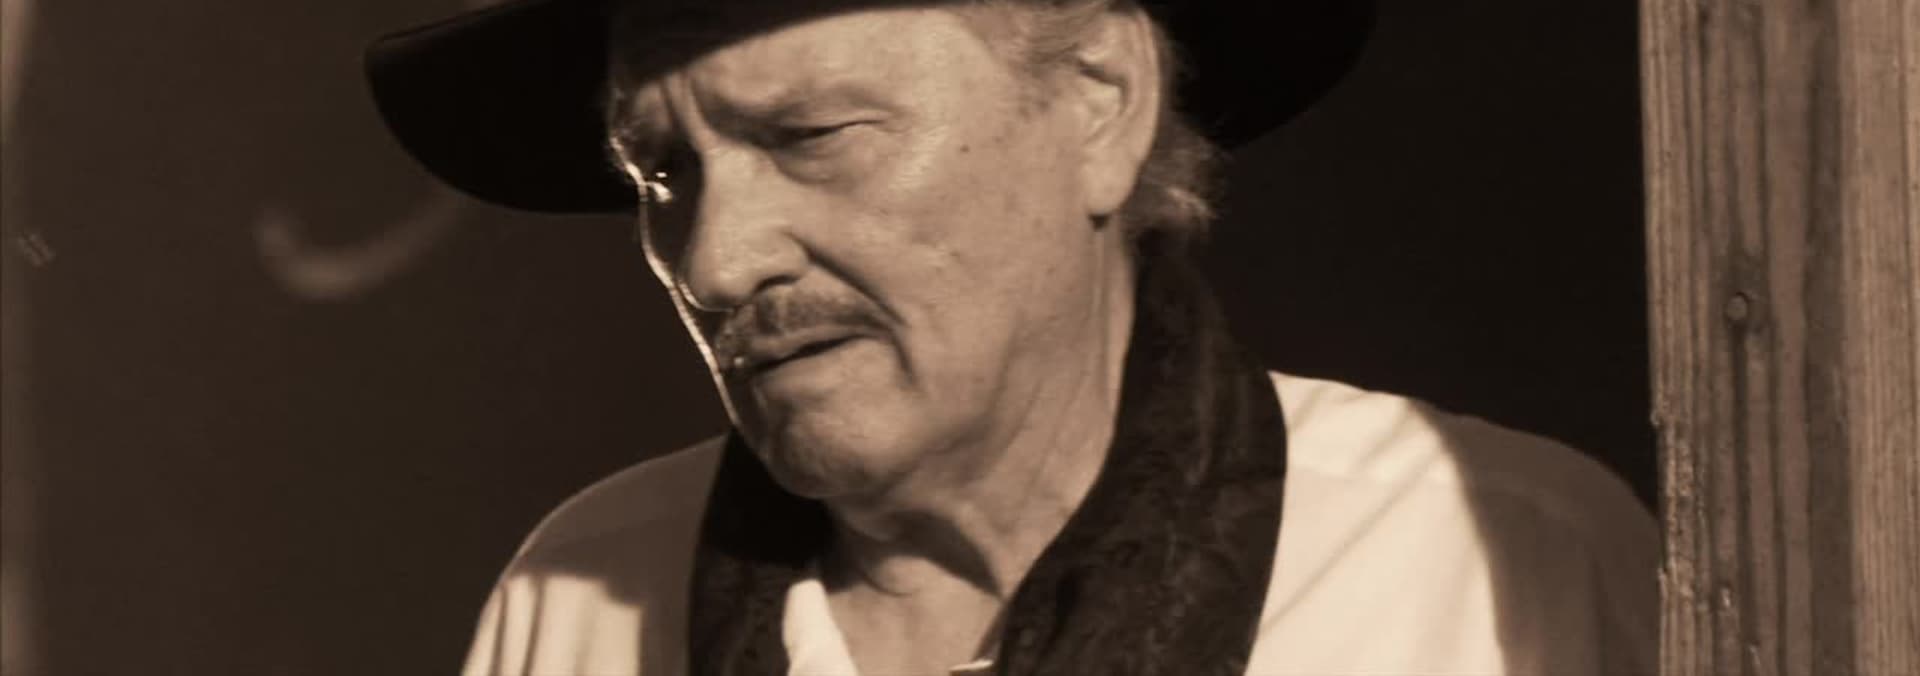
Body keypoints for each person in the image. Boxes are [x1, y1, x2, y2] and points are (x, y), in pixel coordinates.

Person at [367, 0, 1658, 673]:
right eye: (662, 173)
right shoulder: (581, 597)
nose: (715, 260)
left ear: (1100, 101)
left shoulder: (1489, 560)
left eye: (811, 135)